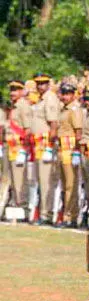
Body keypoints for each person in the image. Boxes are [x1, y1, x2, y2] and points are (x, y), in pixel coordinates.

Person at [30, 73, 60, 224]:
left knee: (46, 180)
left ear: (48, 84)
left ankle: (45, 214)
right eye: (38, 83)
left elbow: (53, 123)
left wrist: (49, 147)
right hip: (38, 145)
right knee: (40, 180)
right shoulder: (40, 98)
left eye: (43, 83)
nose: (40, 86)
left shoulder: (50, 97)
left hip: (45, 144)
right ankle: (42, 212)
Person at [55, 79, 83, 227]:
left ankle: (70, 216)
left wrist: (77, 152)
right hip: (62, 149)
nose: (65, 96)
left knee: (71, 186)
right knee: (65, 184)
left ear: (73, 95)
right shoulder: (63, 109)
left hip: (71, 150)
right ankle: (68, 214)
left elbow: (79, 133)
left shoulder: (74, 110)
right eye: (63, 93)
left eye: (68, 93)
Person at [8, 80, 31, 217]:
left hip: (18, 147)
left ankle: (22, 207)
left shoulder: (23, 106)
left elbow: (27, 130)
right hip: (10, 147)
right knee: (11, 178)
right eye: (11, 90)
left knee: (19, 179)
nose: (12, 93)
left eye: (16, 90)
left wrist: (24, 149)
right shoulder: (14, 105)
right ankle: (15, 204)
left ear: (22, 92)